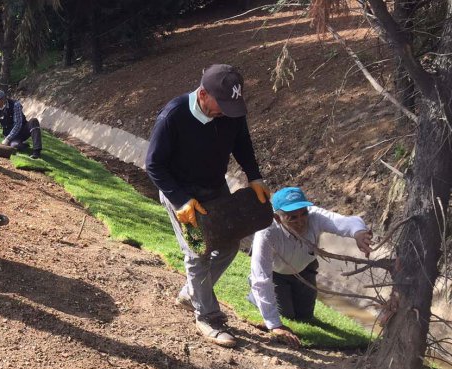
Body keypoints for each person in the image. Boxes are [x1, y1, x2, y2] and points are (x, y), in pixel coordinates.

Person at [145, 64, 270, 348]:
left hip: (215, 188)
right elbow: (153, 164)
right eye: (222, 105)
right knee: (197, 253)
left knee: (228, 246)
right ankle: (207, 317)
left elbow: (242, 142)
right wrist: (180, 200)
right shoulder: (173, 115)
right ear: (202, 94)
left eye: (232, 106)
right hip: (181, 194)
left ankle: (192, 292)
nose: (227, 112)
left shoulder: (231, 111)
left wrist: (255, 176)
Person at [247, 187, 373, 348]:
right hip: (276, 273)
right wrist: (274, 325)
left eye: (303, 213)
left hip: (305, 269)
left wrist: (359, 233)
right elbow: (261, 278)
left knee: (304, 315)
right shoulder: (266, 232)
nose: (300, 221)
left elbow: (345, 221)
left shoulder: (315, 215)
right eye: (292, 217)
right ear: (277, 218)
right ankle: (253, 295)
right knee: (287, 315)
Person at [0, 89, 43, 159]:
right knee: (15, 146)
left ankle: (37, 152)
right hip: (11, 135)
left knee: (34, 121)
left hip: (23, 130)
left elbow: (18, 124)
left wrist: (7, 139)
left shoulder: (15, 105)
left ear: (3, 99)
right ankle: (23, 145)